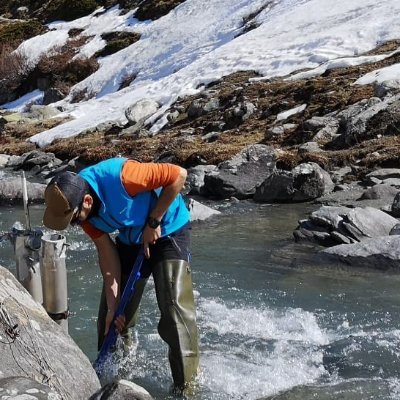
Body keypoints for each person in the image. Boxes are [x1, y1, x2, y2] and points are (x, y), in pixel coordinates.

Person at [42, 157, 199, 391]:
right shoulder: (80, 211)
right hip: (131, 237)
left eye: (73, 219)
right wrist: (114, 307)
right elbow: (107, 254)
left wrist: (154, 222)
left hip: (168, 228)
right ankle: (115, 383)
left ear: (86, 201)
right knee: (112, 319)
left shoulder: (124, 176)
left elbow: (178, 175)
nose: (75, 224)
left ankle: (186, 388)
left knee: (174, 308)